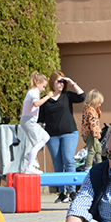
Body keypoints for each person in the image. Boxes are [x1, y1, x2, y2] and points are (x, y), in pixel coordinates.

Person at [40, 71, 85, 203]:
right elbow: (40, 120)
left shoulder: (67, 96)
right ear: (52, 82)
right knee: (57, 163)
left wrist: (71, 82)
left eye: (63, 82)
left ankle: (72, 191)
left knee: (68, 160)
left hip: (69, 133)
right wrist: (39, 137)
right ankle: (62, 193)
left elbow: (82, 96)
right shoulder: (46, 99)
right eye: (59, 81)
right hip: (52, 136)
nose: (61, 84)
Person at [19, 71, 52, 174]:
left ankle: (30, 156)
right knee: (41, 140)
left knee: (42, 139)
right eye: (43, 86)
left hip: (27, 120)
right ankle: (29, 167)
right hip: (29, 121)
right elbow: (36, 103)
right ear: (38, 83)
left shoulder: (31, 91)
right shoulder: (34, 91)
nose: (43, 89)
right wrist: (47, 97)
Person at [81, 89, 104, 170]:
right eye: (99, 103)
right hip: (90, 134)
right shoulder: (90, 110)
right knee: (92, 150)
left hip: (90, 134)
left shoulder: (90, 109)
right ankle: (89, 166)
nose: (100, 105)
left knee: (98, 149)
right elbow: (92, 123)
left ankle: (99, 165)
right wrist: (96, 134)